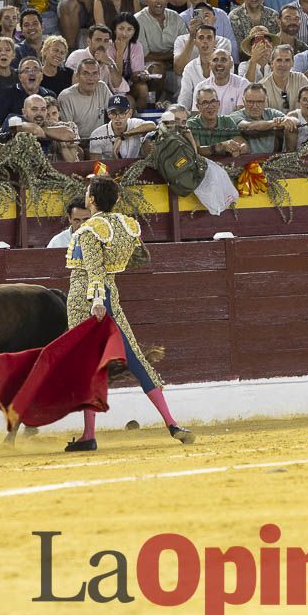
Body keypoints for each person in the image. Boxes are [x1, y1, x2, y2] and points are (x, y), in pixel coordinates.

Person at [63, 175, 193, 452]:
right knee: (135, 358)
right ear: (118, 199)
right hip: (113, 293)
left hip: (85, 298)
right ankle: (172, 423)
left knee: (88, 365)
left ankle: (89, 435)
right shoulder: (128, 226)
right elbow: (138, 257)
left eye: (88, 193)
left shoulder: (88, 230)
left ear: (92, 200)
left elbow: (94, 270)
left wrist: (96, 299)